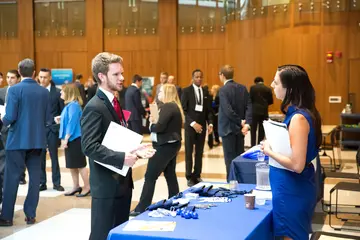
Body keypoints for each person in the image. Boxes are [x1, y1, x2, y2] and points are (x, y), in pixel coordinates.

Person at [81, 52, 154, 240]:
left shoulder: (115, 102)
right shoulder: (94, 107)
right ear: (101, 76)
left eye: (122, 73)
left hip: (122, 184)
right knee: (101, 235)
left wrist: (134, 149)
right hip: (106, 186)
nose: (122, 78)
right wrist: (122, 158)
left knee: (118, 235)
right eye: (116, 74)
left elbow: (115, 136)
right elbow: (89, 146)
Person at [260, 65, 322, 240]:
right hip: (289, 187)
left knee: (291, 235)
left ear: (290, 88)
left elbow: (297, 165)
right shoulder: (298, 114)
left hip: (293, 189)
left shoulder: (298, 118)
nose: (272, 85)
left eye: (276, 82)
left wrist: (269, 151)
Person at [0, 58, 50, 226]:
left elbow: (10, 117)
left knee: (11, 178)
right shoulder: (44, 92)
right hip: (37, 140)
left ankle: (6, 216)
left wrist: (2, 121)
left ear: (19, 72)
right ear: (34, 73)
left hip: (17, 141)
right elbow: (47, 118)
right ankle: (30, 215)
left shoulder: (14, 90)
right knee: (35, 179)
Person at [131, 84, 183, 215]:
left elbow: (159, 127)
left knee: (150, 176)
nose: (158, 95)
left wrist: (151, 125)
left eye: (160, 93)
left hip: (165, 145)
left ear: (166, 93)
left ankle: (142, 207)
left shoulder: (168, 106)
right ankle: (175, 201)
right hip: (171, 144)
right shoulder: (174, 106)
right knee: (170, 174)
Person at [218, 65, 252, 181]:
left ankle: (231, 184)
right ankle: (241, 183)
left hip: (228, 130)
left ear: (222, 75)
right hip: (239, 130)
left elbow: (227, 110)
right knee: (239, 159)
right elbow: (249, 106)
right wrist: (246, 123)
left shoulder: (223, 90)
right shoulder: (242, 88)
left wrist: (240, 121)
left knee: (229, 161)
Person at [181, 69, 213, 187]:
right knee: (189, 152)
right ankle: (189, 176)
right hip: (191, 127)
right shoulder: (186, 91)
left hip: (202, 127)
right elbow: (183, 110)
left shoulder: (206, 92)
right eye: (196, 77)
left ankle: (197, 175)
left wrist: (210, 124)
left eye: (200, 77)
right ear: (193, 78)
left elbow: (209, 111)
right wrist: (193, 123)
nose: (199, 79)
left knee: (199, 152)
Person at [58, 84, 90, 197]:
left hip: (74, 139)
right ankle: (76, 186)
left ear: (69, 93)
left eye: (62, 91)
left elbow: (72, 122)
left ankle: (87, 186)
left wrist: (66, 138)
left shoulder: (74, 106)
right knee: (72, 165)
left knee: (80, 164)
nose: (61, 93)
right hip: (71, 138)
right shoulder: (70, 106)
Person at [38, 68, 65, 192]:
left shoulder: (57, 93)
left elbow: (62, 111)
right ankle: (42, 182)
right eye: (41, 77)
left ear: (49, 78)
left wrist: (58, 121)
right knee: (40, 157)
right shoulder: (35, 92)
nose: (42, 79)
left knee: (54, 157)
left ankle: (56, 182)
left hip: (53, 129)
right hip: (39, 129)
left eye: (45, 77)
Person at [249, 76, 273, 146]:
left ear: (255, 82)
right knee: (262, 130)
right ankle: (260, 145)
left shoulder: (252, 88)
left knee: (253, 130)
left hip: (254, 111)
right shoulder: (268, 89)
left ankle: (252, 145)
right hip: (264, 112)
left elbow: (250, 99)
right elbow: (271, 101)